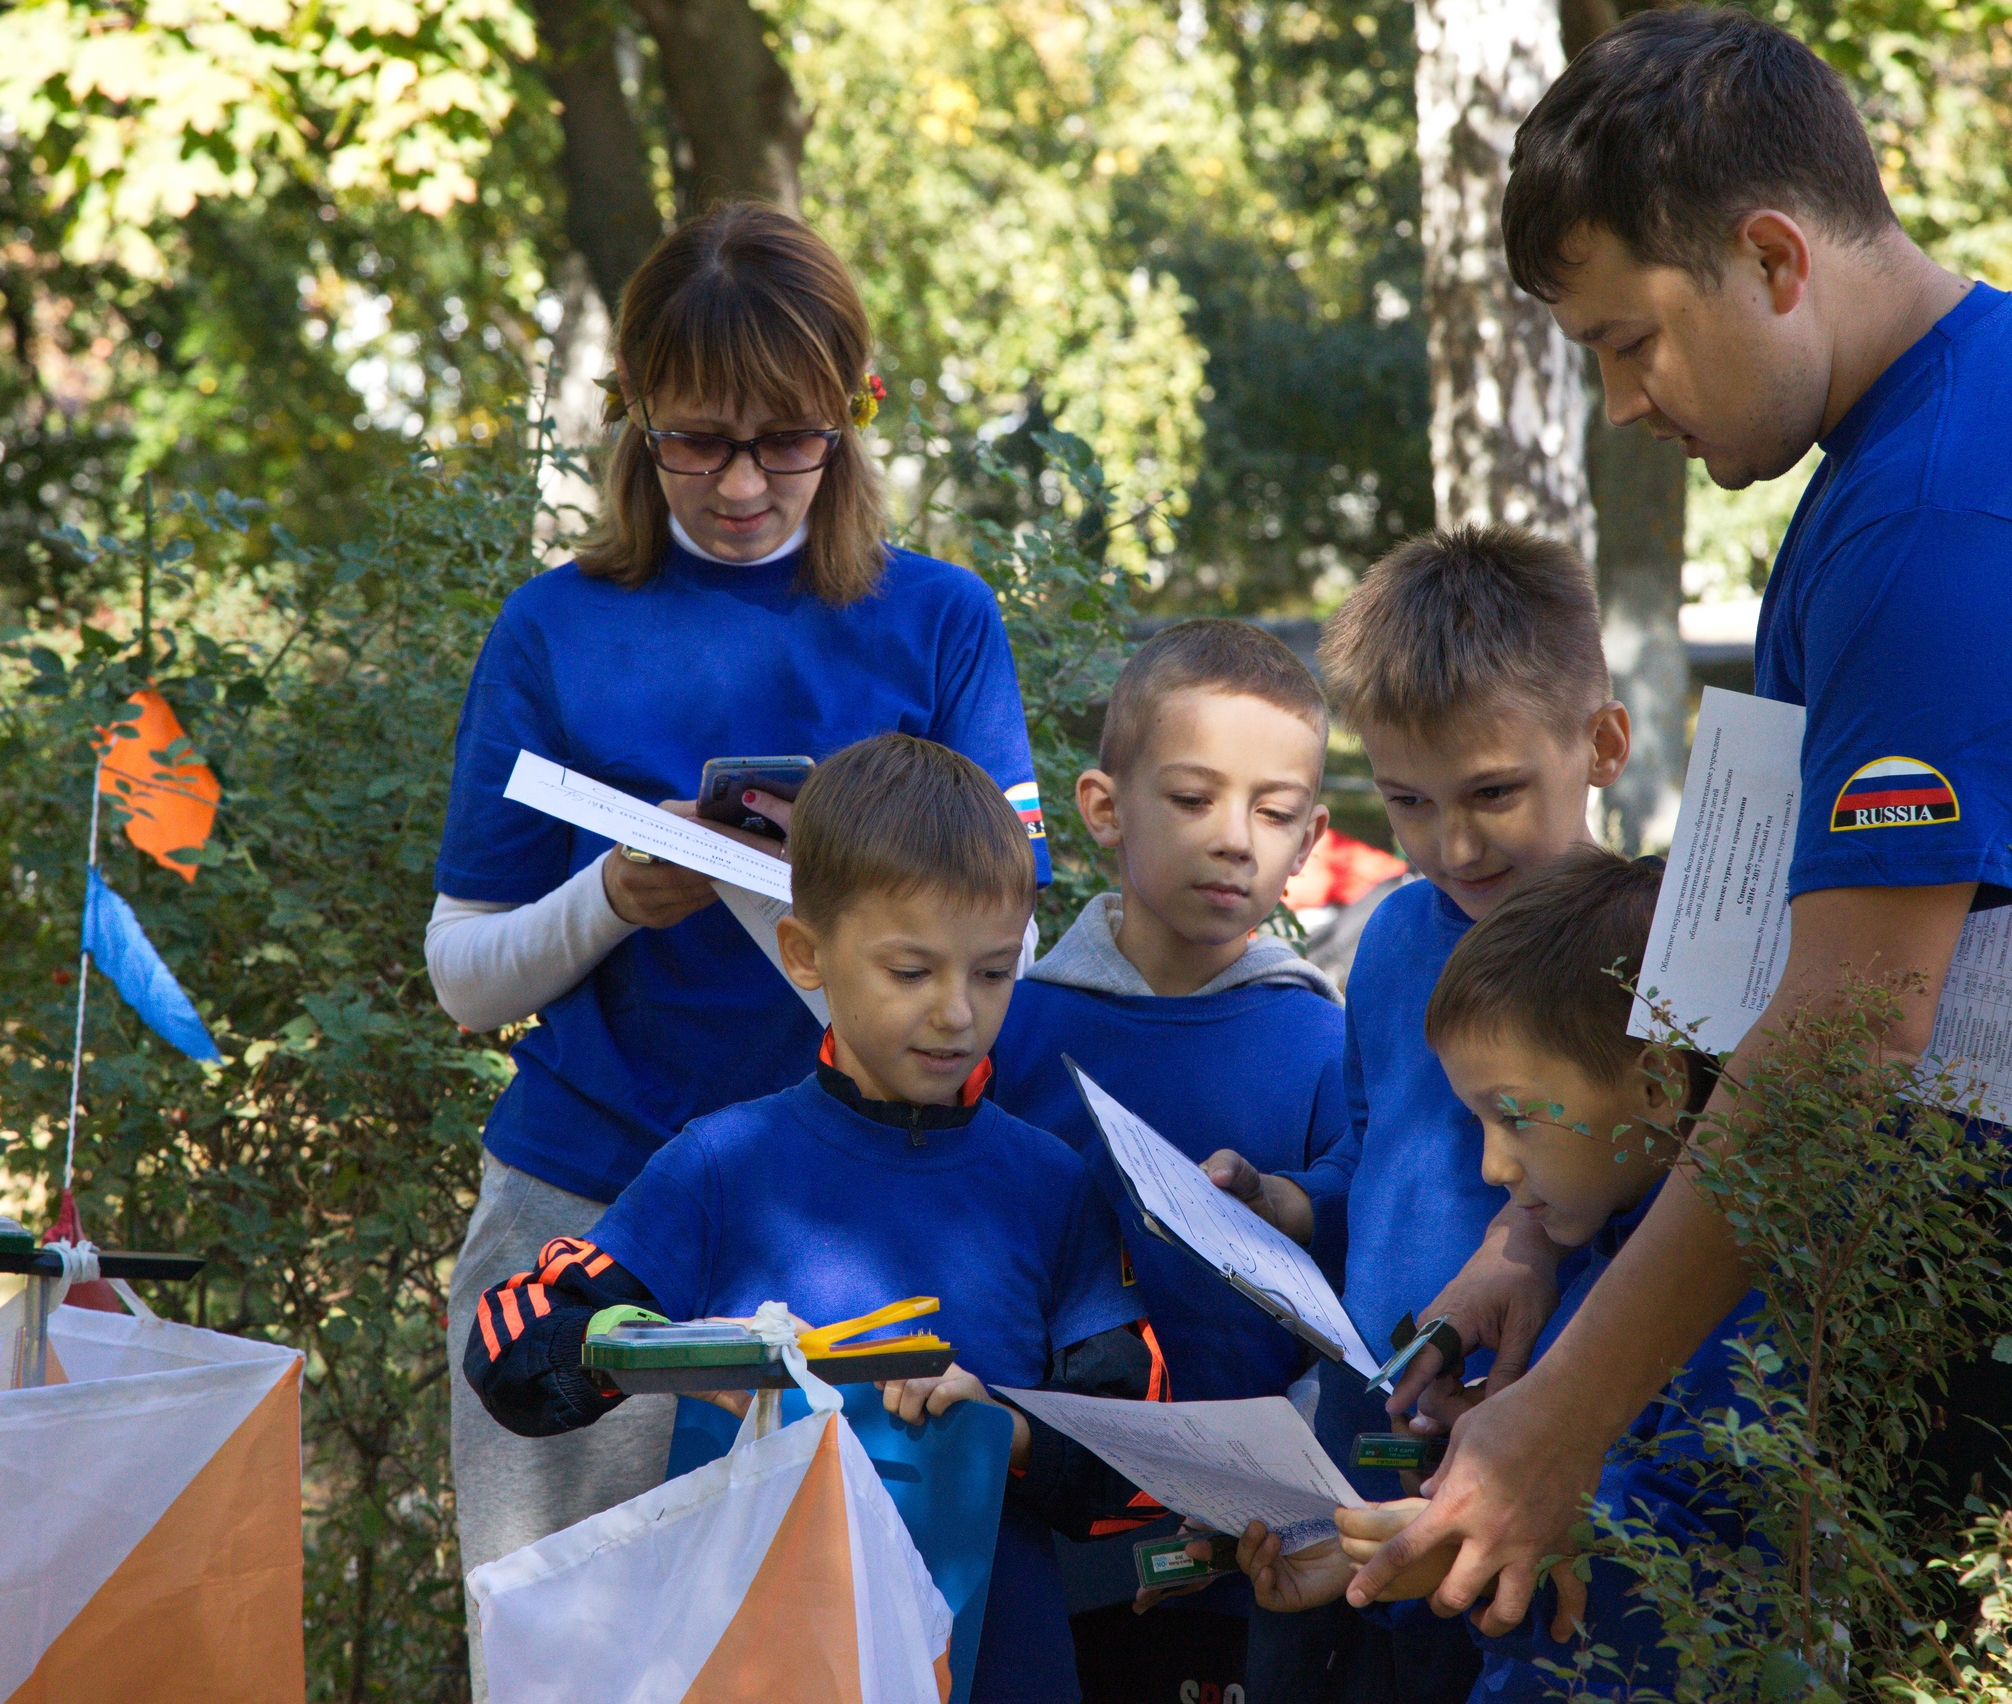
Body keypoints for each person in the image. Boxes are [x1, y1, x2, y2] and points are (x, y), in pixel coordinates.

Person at [1348, 7, 2012, 1631]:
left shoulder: (1949, 515)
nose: (1621, 402)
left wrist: (1567, 1410)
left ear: (1773, 258)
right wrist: (1540, 1221)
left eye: (1628, 339)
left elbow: (1847, 1019)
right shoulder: (1919, 435)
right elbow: (1751, 949)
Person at [427, 203, 1050, 1626]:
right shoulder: (555, 630)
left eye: (790, 438)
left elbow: (986, 944)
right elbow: (463, 975)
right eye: (699, 438)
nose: (746, 483)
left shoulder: (939, 621)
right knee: (572, 1647)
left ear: (854, 416)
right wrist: (613, 896)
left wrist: (831, 891)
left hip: (862, 1225)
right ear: (634, 419)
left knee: (849, 1650)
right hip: (589, 1217)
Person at [463, 734, 1153, 1704]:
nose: (956, 1012)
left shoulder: (1049, 1183)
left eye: (992, 974)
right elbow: (514, 1345)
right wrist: (675, 1352)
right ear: (805, 952)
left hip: (998, 1660)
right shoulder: (723, 1165)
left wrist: (1009, 1431)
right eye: (910, 972)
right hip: (762, 1659)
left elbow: (1137, 1447)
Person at [1210, 525, 1630, 1704]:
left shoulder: (1642, 961)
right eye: (1406, 801)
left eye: (1492, 792)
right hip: (1360, 1424)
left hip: (1514, 1456)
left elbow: (1667, 1214)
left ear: (1598, 745)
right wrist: (1278, 1201)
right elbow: (1373, 1149)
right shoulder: (1396, 935)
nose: (1451, 844)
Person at [1214, 848, 1764, 1702]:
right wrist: (1397, 1558)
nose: (1493, 1167)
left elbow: (1710, 1550)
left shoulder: (1725, 1294)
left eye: (1513, 1117)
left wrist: (1471, 1530)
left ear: (1658, 1086)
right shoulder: (1585, 1259)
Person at [983, 618, 1347, 1698]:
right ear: (1102, 809)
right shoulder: (1006, 1028)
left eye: (1272, 812)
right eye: (1191, 800)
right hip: (1039, 1543)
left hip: (1261, 1562)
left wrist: (1283, 1203)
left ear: (1311, 837)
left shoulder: (1325, 1039)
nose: (1233, 838)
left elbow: (1360, 1260)